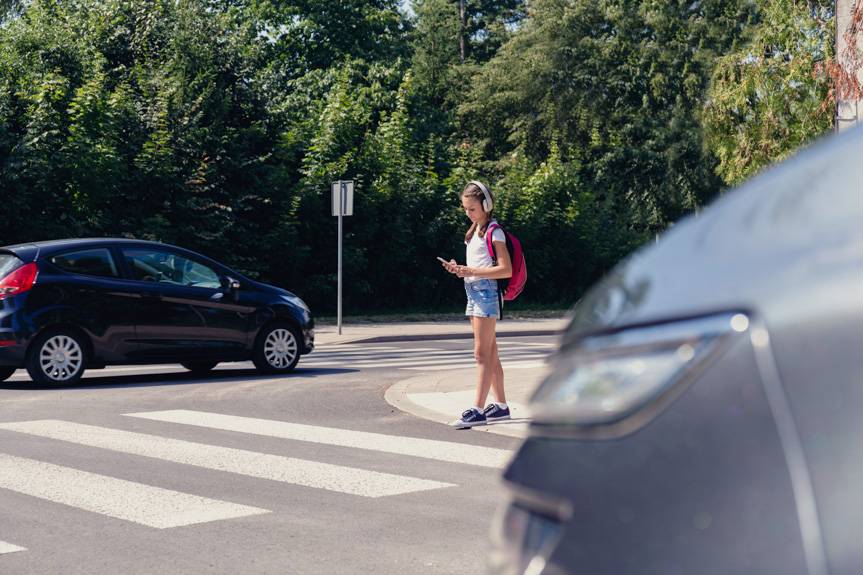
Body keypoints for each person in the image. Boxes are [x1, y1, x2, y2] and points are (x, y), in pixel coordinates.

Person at [440, 181, 513, 429]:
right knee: (490, 353)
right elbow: (479, 264)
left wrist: (470, 270)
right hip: (473, 290)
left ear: (486, 205)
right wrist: (459, 269)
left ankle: (478, 410)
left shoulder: (495, 231)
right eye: (465, 209)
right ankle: (501, 407)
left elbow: (505, 269)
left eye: (472, 209)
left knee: (481, 353)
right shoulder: (474, 231)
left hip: (486, 293)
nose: (468, 213)